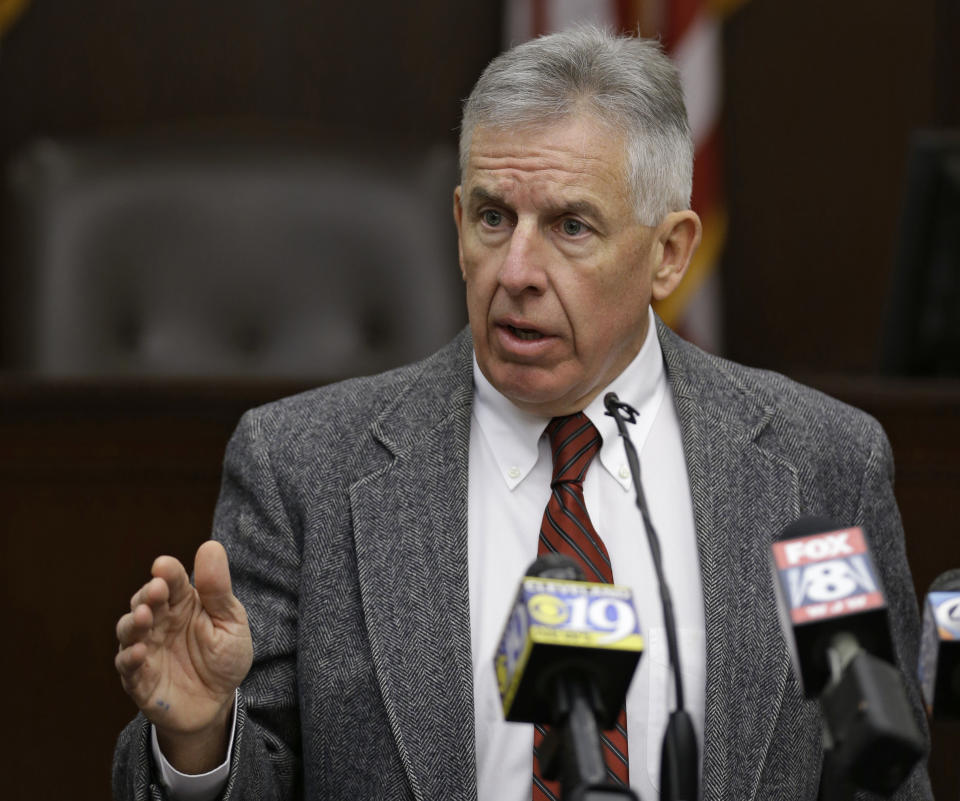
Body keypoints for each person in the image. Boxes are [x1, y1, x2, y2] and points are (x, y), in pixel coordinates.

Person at [113, 26, 933, 801]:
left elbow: (881, 775)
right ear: (458, 218)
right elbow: (257, 768)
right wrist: (201, 739)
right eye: (494, 217)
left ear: (670, 252)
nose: (516, 270)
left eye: (571, 226)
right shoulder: (302, 468)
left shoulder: (823, 464)